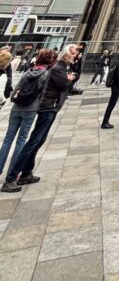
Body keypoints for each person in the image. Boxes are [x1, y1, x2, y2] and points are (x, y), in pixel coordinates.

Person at [3, 44, 78, 190]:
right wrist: (69, 80)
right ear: (65, 55)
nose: (75, 55)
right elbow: (63, 85)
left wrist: (70, 78)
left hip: (51, 107)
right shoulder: (57, 69)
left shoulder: (61, 68)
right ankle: (11, 177)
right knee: (33, 141)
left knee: (38, 141)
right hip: (48, 107)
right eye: (73, 53)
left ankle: (26, 173)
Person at [0, 48, 57, 192]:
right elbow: (44, 94)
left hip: (17, 108)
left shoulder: (29, 71)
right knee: (22, 141)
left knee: (8, 140)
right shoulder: (46, 74)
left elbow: (15, 90)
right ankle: (12, 175)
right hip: (30, 109)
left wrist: (13, 100)